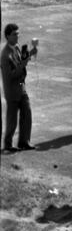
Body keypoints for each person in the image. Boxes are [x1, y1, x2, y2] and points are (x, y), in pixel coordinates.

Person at [1, 23, 37, 152]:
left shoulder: (16, 47)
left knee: (27, 113)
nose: (17, 36)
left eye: (18, 33)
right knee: (12, 120)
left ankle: (24, 141)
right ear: (7, 36)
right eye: (14, 34)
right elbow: (10, 76)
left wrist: (30, 53)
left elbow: (21, 58)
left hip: (21, 86)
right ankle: (8, 145)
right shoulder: (5, 55)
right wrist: (23, 63)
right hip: (12, 91)